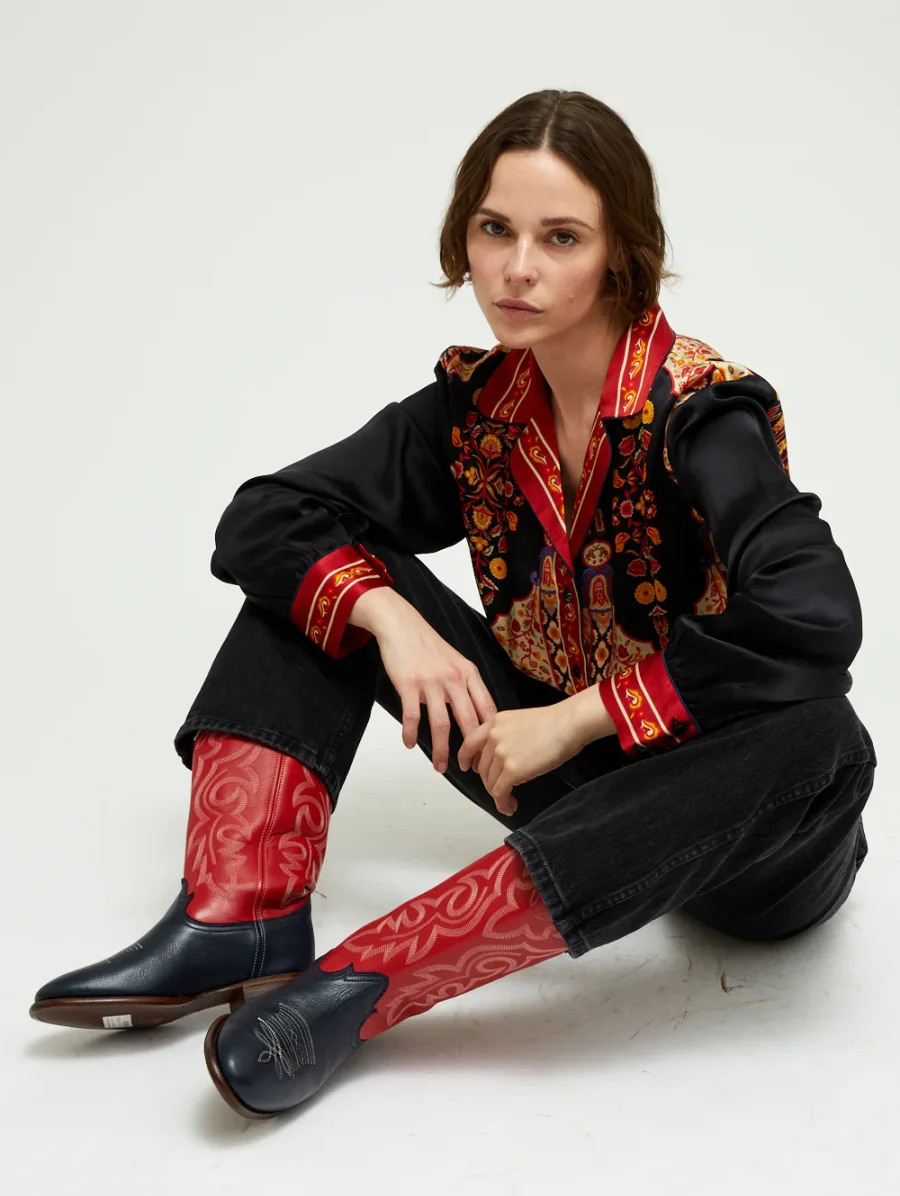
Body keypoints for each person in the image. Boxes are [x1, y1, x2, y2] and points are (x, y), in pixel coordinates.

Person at [30, 89, 876, 1120]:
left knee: (826, 738)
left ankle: (361, 989)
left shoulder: (702, 414)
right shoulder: (477, 412)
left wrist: (575, 718)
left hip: (750, 843)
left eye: (559, 237)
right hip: (569, 785)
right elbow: (264, 517)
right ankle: (237, 915)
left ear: (619, 252)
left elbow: (816, 617)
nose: (517, 268)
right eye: (494, 230)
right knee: (325, 573)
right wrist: (390, 619)